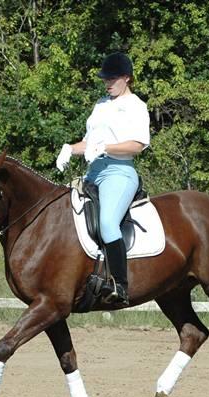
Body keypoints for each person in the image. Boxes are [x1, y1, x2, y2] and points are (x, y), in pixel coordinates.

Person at [56, 52, 150, 307]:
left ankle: (120, 286)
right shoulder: (100, 105)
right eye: (105, 79)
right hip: (92, 171)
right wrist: (69, 148)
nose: (107, 83)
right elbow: (88, 143)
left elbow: (137, 145)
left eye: (112, 78)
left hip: (119, 172)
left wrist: (106, 147)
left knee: (108, 222)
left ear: (126, 78)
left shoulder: (136, 106)